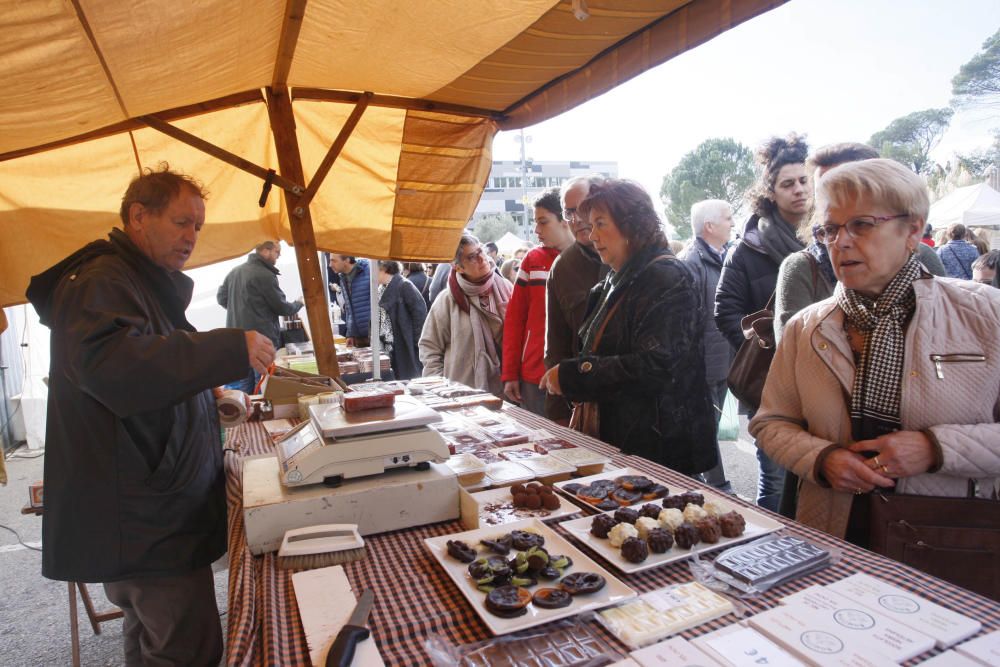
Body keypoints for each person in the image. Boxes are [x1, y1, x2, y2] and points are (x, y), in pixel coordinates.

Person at [25, 166, 274, 666]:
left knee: (150, 641)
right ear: (139, 216)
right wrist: (229, 346)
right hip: (145, 522)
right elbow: (116, 368)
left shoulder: (134, 281)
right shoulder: (100, 280)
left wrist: (206, 395)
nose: (191, 237)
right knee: (185, 647)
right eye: (182, 222)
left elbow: (149, 368)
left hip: (147, 516)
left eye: (198, 227)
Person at [751, 159, 1000, 584]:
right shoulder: (806, 327)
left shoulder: (984, 314)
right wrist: (822, 458)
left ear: (911, 230)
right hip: (829, 533)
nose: (841, 242)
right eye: (830, 230)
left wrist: (936, 448)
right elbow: (771, 423)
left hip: (947, 540)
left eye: (862, 225)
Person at [539, 179, 717, 475]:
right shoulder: (613, 280)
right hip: (626, 440)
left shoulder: (666, 277)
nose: (592, 235)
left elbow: (655, 366)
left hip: (660, 448)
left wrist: (574, 376)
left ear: (631, 225)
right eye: (589, 224)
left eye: (600, 223)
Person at [715, 133, 810, 513]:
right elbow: (725, 311)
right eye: (788, 184)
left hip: (830, 384)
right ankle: (767, 557)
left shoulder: (833, 237)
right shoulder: (748, 249)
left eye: (804, 181)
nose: (799, 190)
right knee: (776, 480)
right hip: (772, 386)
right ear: (771, 192)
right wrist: (765, 349)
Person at [775, 142, 947, 344]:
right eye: (823, 189)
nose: (834, 196)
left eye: (862, 224)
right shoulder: (802, 268)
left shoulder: (924, 259)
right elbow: (793, 356)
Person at [502, 189, 575, 415]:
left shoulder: (590, 258)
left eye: (543, 222)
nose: (536, 230)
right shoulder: (532, 260)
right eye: (536, 222)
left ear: (565, 220)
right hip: (534, 373)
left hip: (575, 372)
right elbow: (515, 319)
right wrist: (510, 373)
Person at [679, 199, 735, 493]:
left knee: (708, 430)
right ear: (709, 226)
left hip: (722, 363)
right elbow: (687, 324)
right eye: (728, 218)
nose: (733, 223)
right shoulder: (692, 262)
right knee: (705, 431)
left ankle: (709, 483)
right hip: (704, 367)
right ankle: (715, 486)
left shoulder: (724, 256)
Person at [545, 175, 609, 423]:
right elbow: (556, 345)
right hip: (584, 402)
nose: (576, 219)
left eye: (582, 208)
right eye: (568, 212)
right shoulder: (563, 267)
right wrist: (559, 416)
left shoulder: (637, 257)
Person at [419, 235, 512, 395]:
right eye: (472, 257)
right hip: (463, 394)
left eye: (480, 251)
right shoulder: (447, 301)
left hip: (508, 389)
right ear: (458, 267)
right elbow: (430, 348)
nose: (482, 258)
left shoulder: (506, 287)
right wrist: (440, 388)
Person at [217, 240, 302, 391]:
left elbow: (221, 299)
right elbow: (281, 307)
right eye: (277, 252)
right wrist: (299, 303)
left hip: (237, 339)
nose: (278, 257)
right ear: (266, 251)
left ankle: (246, 414)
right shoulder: (265, 275)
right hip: (261, 340)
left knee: (244, 386)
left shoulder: (234, 272)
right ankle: (261, 414)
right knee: (263, 383)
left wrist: (240, 308)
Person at [377, 260, 428, 379]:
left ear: (384, 269)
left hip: (405, 344)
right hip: (394, 345)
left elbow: (420, 313)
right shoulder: (381, 289)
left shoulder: (404, 285)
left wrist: (416, 343)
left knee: (407, 379)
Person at [328, 254, 371, 346]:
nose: (330, 265)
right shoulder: (343, 277)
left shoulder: (369, 271)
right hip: (359, 339)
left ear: (347, 260)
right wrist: (350, 334)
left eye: (333, 261)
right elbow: (349, 308)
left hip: (374, 337)